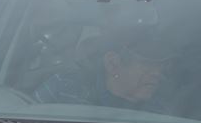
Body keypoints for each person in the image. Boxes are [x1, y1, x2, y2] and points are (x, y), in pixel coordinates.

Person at [33, 26, 172, 109]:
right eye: (147, 64)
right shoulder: (64, 87)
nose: (158, 73)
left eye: (161, 66)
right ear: (113, 63)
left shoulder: (161, 112)